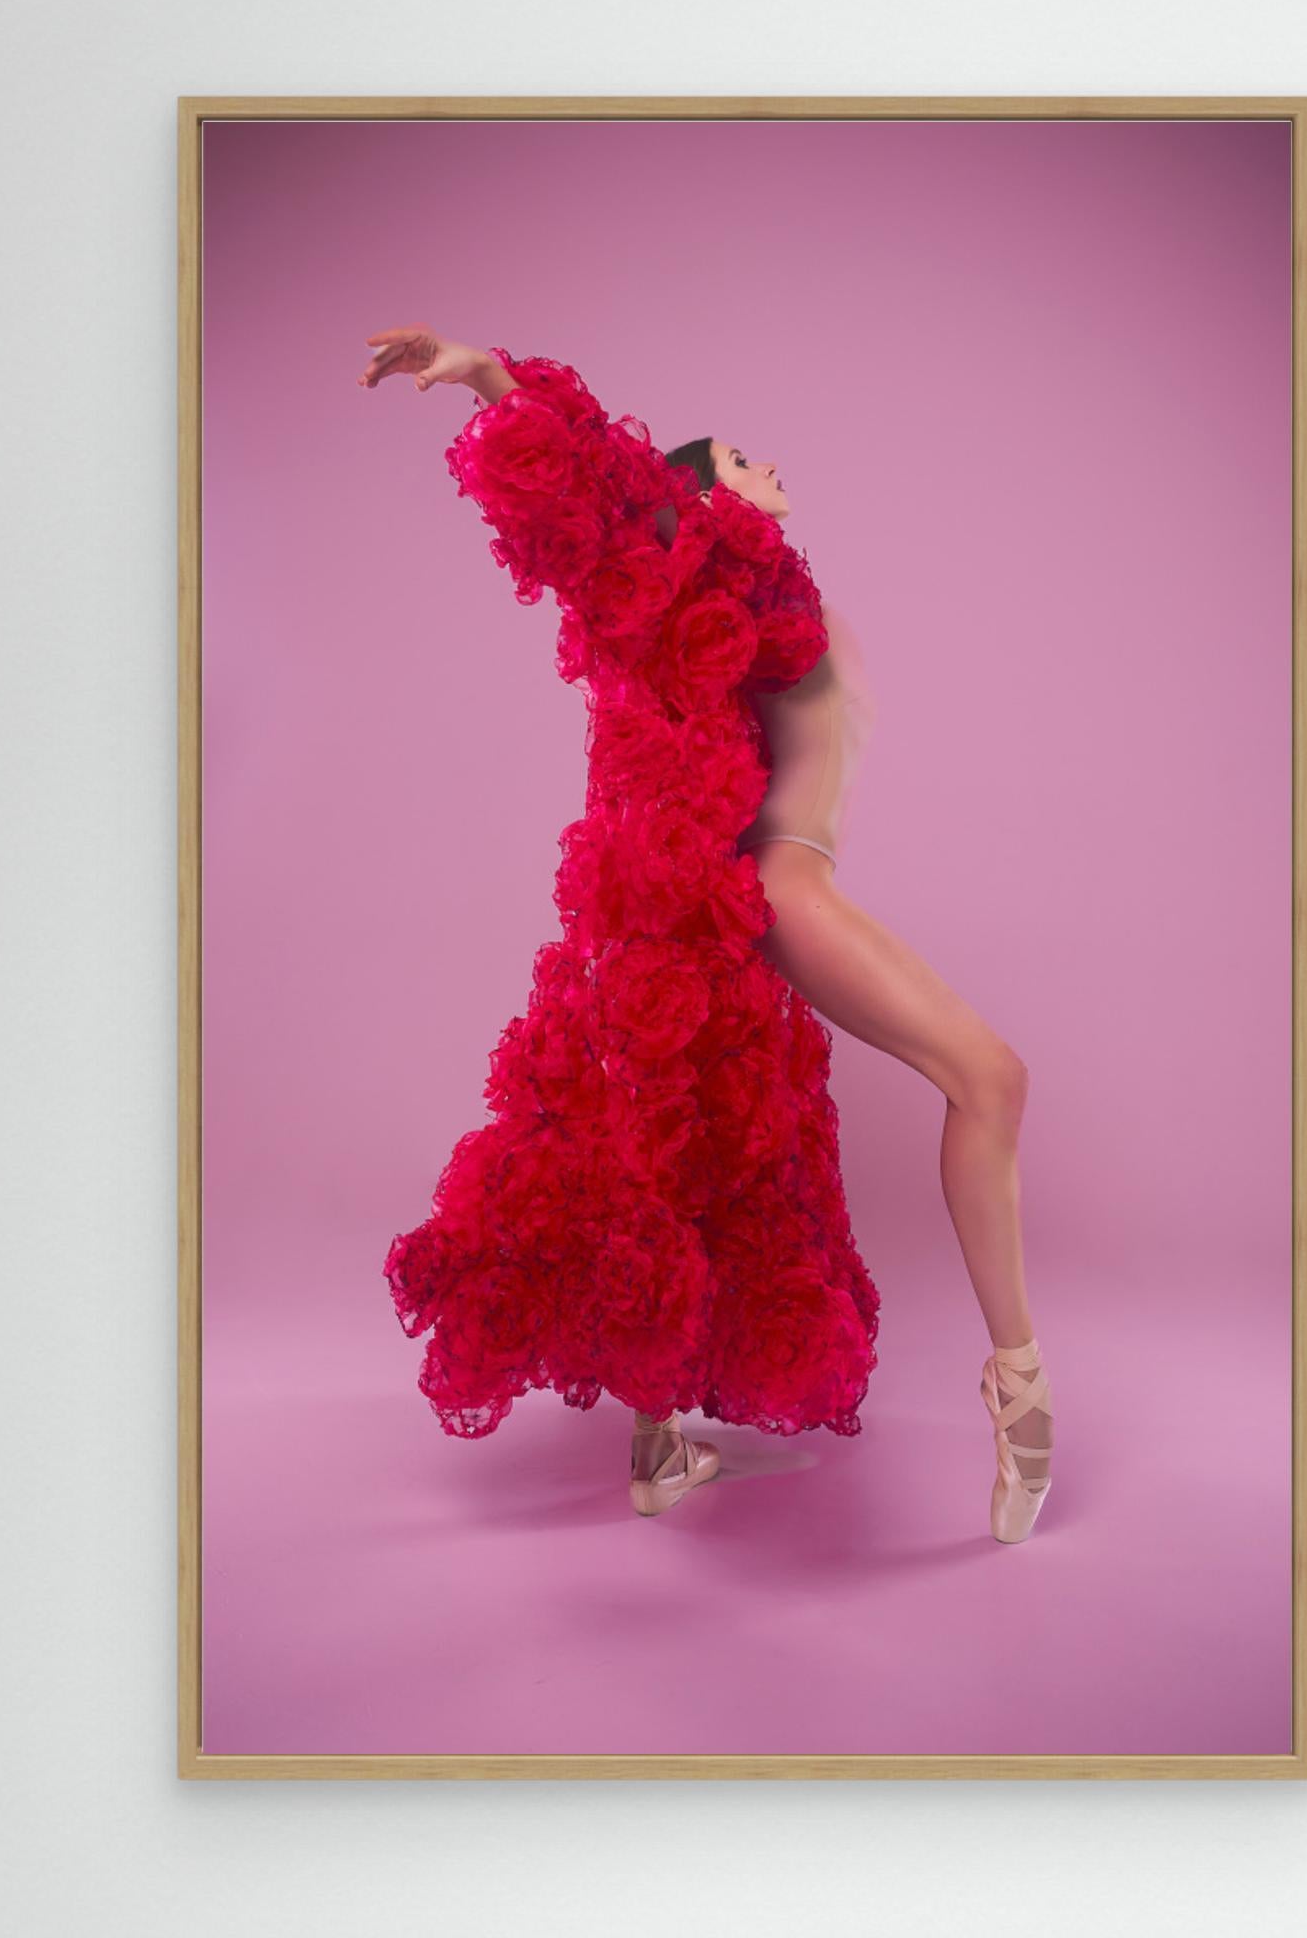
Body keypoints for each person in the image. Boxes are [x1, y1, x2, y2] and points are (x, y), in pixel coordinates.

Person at [360, 325, 1053, 1542]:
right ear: (691, 501)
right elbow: (607, 500)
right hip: (784, 885)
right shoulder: (708, 571)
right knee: (988, 1077)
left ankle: (657, 1447)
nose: (758, 458)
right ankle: (1023, 1390)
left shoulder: (755, 590)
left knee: (690, 1165)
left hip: (765, 891)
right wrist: (485, 378)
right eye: (732, 456)